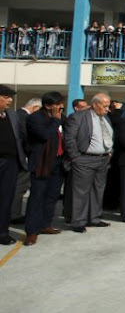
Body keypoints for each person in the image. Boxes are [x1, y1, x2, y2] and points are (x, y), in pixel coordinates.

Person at [64, 93, 114, 233]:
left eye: (108, 106)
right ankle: (78, 221)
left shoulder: (105, 118)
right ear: (95, 104)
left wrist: (110, 151)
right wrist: (75, 157)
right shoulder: (79, 117)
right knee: (81, 192)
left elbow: (109, 136)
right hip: (84, 159)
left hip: (103, 159)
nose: (107, 109)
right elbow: (69, 139)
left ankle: (94, 218)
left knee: (98, 190)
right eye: (105, 106)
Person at [24, 91, 66, 246]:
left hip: (58, 161)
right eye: (57, 104)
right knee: (37, 197)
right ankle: (31, 231)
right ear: (48, 105)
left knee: (52, 195)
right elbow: (44, 135)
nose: (60, 107)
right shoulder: (35, 118)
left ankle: (45, 224)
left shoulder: (61, 118)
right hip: (42, 163)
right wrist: (55, 121)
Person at [0, 85, 26, 245]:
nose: (10, 100)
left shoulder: (12, 115)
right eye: (6, 96)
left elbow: (20, 136)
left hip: (10, 163)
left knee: (6, 198)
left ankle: (3, 232)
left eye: (10, 97)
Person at [10, 97, 40, 225]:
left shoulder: (15, 115)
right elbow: (25, 139)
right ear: (35, 108)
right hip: (23, 158)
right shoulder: (25, 118)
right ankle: (14, 214)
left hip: (15, 158)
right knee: (20, 186)